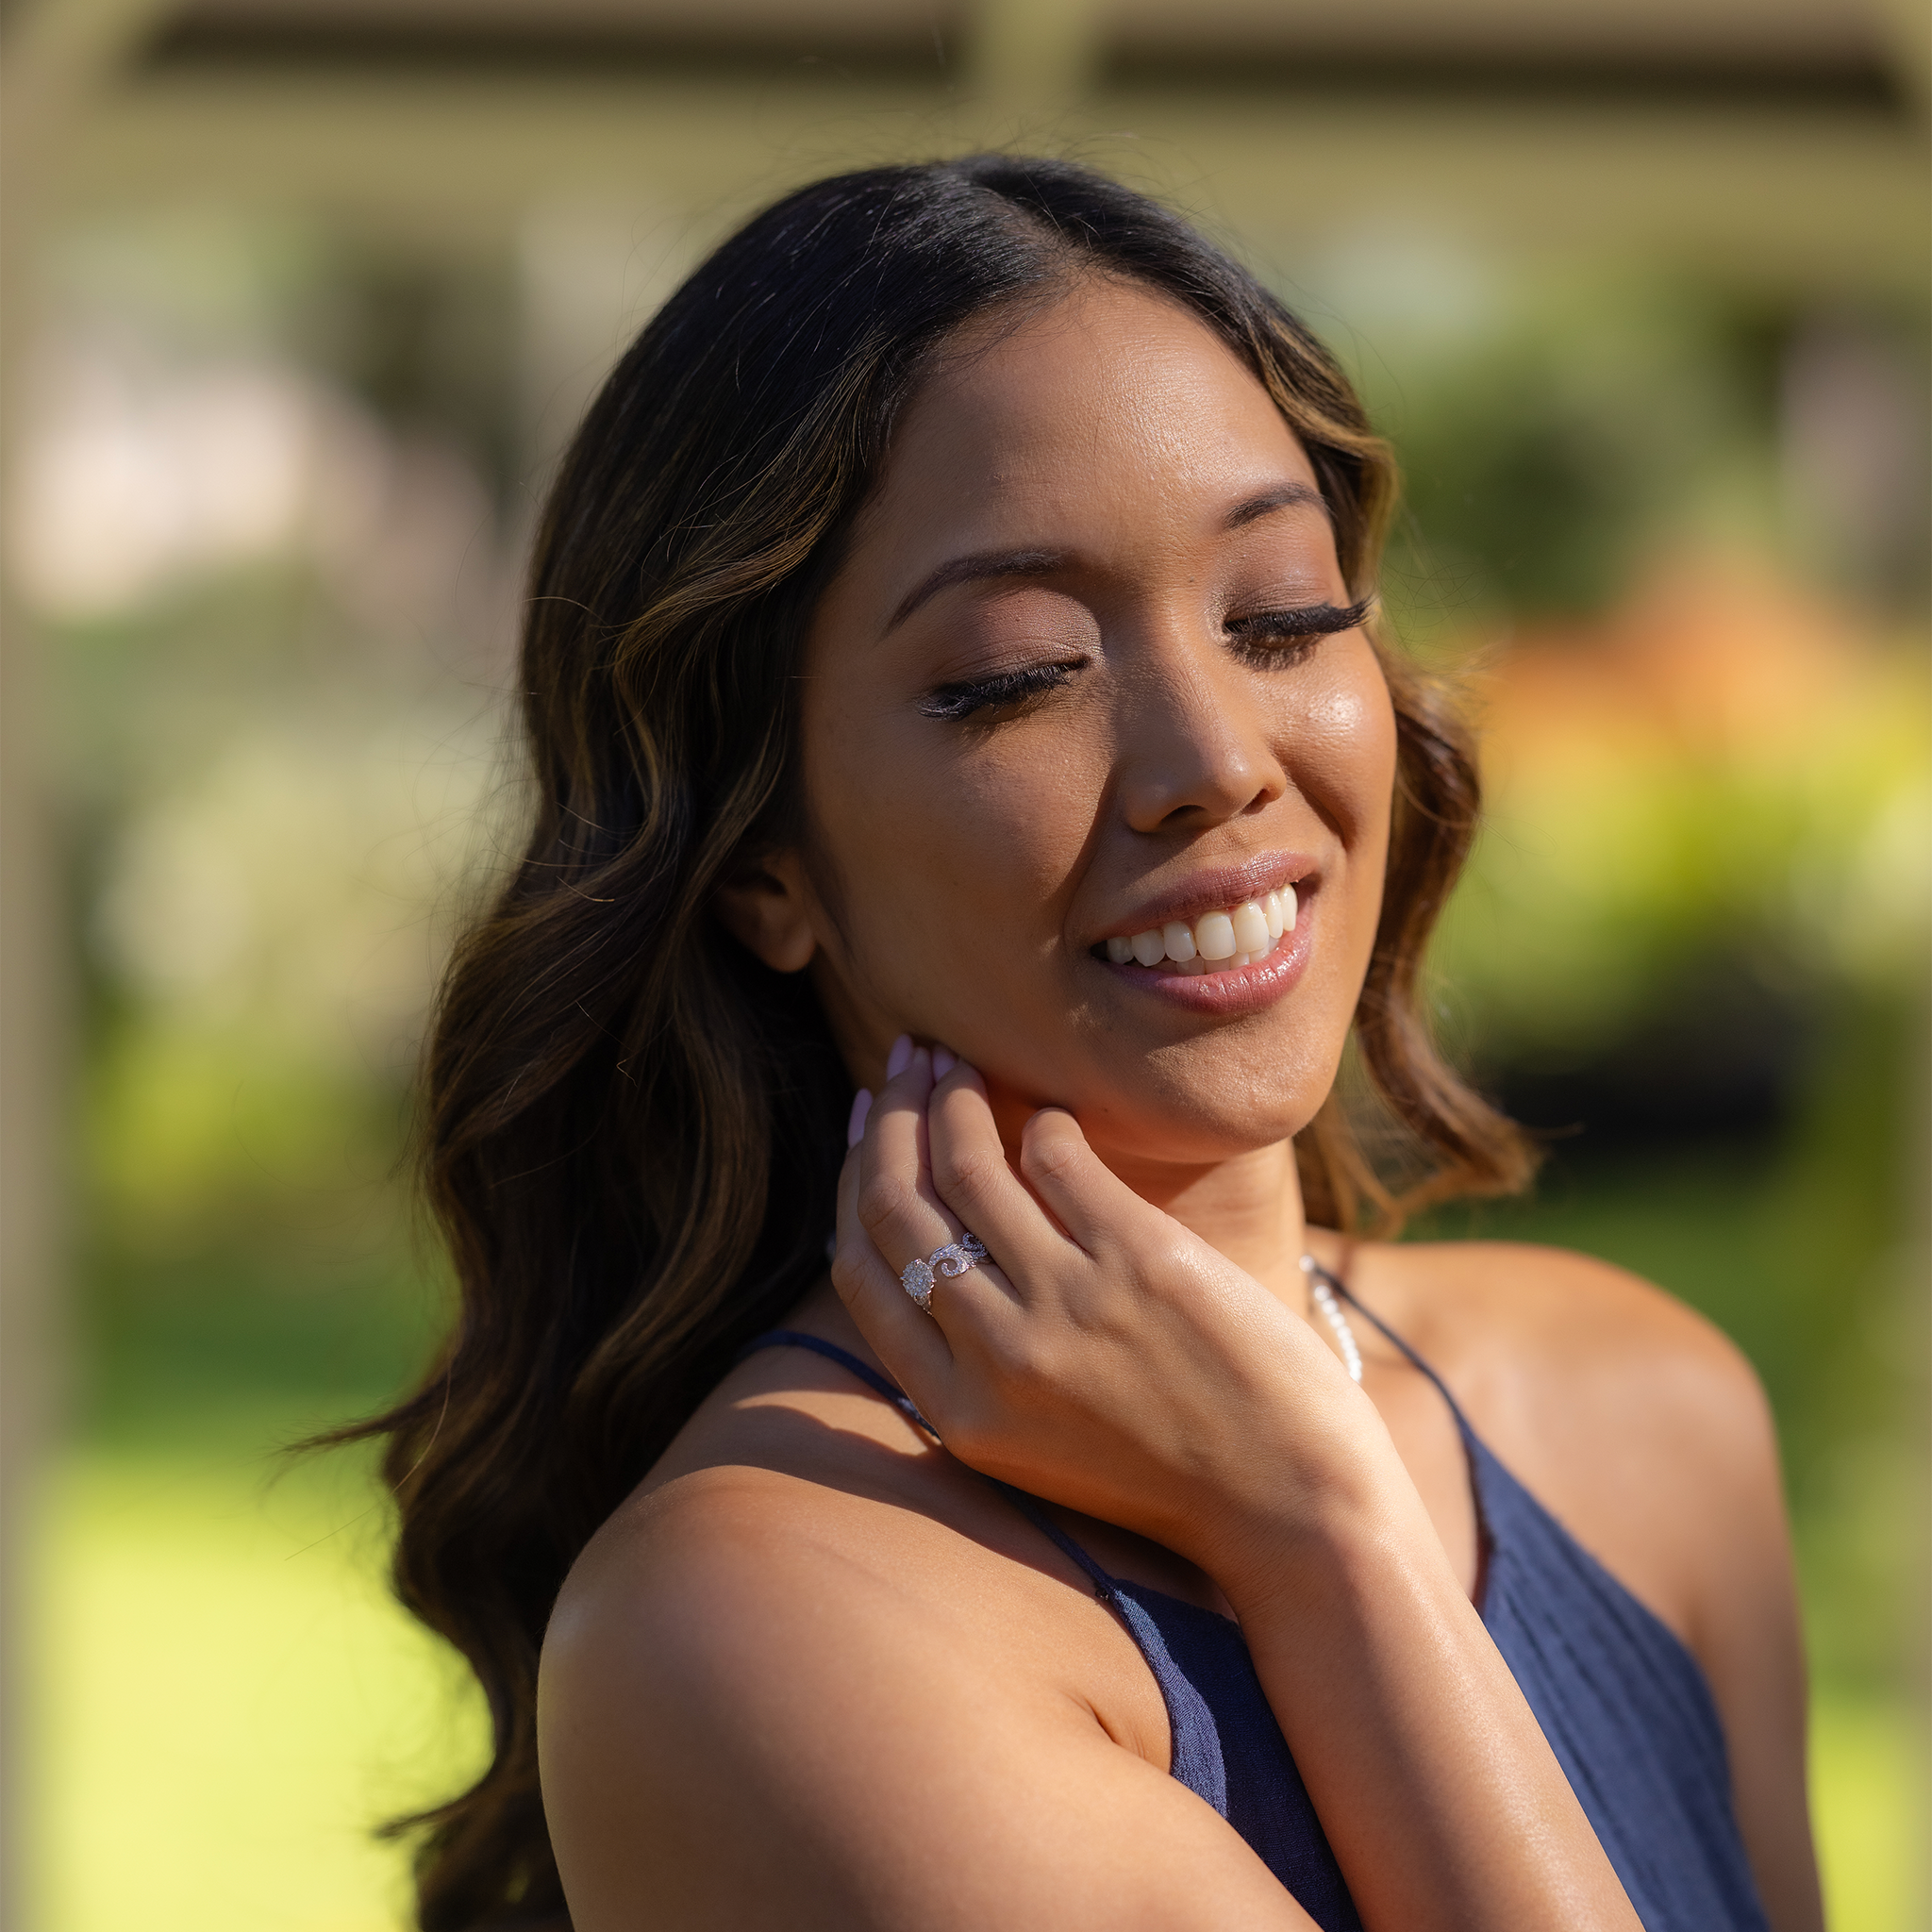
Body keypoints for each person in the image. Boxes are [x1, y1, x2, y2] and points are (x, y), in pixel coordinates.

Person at [352, 156, 1822, 1931]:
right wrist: (1316, 1530)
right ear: (758, 866)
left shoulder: (1645, 1411)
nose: (1217, 759)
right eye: (1017, 674)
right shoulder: (762, 1615)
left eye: (1281, 614)